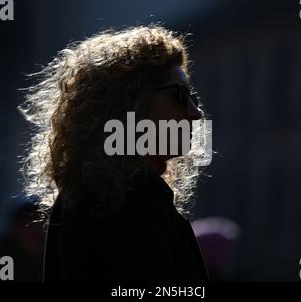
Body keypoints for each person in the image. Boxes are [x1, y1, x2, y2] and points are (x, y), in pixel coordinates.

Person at [19, 25, 209, 281]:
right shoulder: (128, 200)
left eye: (193, 99)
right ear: (129, 103)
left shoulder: (91, 196)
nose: (195, 113)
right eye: (180, 96)